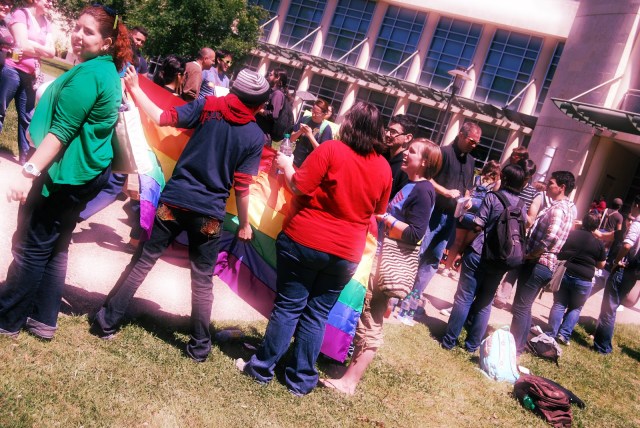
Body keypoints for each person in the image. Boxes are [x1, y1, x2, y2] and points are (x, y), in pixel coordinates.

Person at [90, 68, 270, 362]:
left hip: (173, 203)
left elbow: (162, 118)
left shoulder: (208, 106)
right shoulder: (254, 136)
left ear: (233, 91)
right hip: (209, 215)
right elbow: (242, 186)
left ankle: (107, 320)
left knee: (144, 260)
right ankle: (199, 346)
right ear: (259, 106)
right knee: (202, 279)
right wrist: (245, 224)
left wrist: (136, 89)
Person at [237, 101, 392, 396]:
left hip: (305, 240)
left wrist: (286, 165)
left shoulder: (331, 150)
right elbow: (378, 210)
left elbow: (298, 186)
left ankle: (261, 368)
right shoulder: (383, 167)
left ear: (349, 124)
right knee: (317, 314)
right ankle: (300, 380)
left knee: (289, 306)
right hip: (346, 253)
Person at [0, 5, 131, 339]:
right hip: (86, 172)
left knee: (31, 245)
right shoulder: (106, 71)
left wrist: (29, 171)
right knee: (56, 244)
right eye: (77, 27)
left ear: (106, 42)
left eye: (89, 32)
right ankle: (43, 320)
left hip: (66, 174)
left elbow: (61, 132)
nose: (78, 35)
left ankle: (7, 319)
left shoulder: (90, 74)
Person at [318, 138, 440, 395]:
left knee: (371, 319)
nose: (406, 154)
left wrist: (385, 217)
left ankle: (349, 382)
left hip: (388, 263)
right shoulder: (412, 184)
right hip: (379, 257)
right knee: (365, 313)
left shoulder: (424, 190)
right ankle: (346, 369)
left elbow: (416, 233)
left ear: (425, 162)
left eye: (412, 152)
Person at [441, 164, 527, 352]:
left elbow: (478, 225)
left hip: (479, 252)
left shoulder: (493, 197)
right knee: (485, 303)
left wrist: (462, 248)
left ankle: (449, 341)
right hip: (500, 259)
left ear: (503, 177)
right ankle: (472, 345)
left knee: (464, 297)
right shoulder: (522, 206)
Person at [510, 171, 577, 355]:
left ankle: (514, 348)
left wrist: (532, 254)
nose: (547, 185)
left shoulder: (558, 209)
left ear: (562, 187)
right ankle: (521, 345)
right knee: (525, 306)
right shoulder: (568, 207)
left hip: (538, 263)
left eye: (551, 183)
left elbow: (551, 236)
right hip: (543, 264)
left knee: (520, 307)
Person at [412, 122, 480, 296]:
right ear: (461, 135)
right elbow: (426, 177)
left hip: (451, 217)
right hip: (432, 212)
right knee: (418, 253)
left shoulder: (471, 161)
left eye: (477, 143)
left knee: (434, 258)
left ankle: (414, 296)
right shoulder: (442, 153)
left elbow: (467, 187)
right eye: (472, 141)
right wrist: (445, 192)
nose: (474, 145)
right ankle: (400, 293)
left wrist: (468, 199)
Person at [0, 0, 54, 164]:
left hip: (31, 75)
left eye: (53, 1)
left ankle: (26, 160)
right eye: (48, 0)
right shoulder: (21, 15)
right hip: (12, 69)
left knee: (27, 117)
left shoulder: (46, 23)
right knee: (0, 110)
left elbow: (52, 52)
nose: (51, 4)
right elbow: (21, 45)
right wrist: (41, 49)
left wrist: (32, 45)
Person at [545, 212, 606, 345]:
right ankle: (564, 335)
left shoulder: (571, 234)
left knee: (559, 304)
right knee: (576, 308)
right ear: (596, 227)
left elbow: (561, 249)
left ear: (583, 221)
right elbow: (601, 265)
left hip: (566, 272)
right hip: (584, 279)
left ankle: (550, 333)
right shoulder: (599, 243)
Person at [593, 196, 640, 354]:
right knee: (613, 308)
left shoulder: (637, 224)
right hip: (633, 273)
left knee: (609, 309)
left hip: (622, 270)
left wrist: (616, 262)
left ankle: (602, 347)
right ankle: (605, 345)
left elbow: (627, 245)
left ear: (636, 205)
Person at [493, 159, 543, 308]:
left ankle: (500, 296)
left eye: (526, 178)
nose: (523, 179)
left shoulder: (535, 194)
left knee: (508, 267)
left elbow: (530, 221)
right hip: (496, 231)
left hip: (515, 235)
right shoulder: (502, 183)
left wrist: (514, 210)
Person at [439, 160, 500, 280]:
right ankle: (458, 272)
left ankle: (446, 268)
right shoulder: (496, 184)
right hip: (479, 218)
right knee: (468, 246)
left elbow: (467, 193)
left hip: (466, 214)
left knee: (457, 242)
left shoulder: (476, 178)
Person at [290, 98, 333, 167]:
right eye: (313, 111)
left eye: (317, 113)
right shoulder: (305, 119)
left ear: (324, 114)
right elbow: (291, 139)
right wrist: (300, 131)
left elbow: (323, 152)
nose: (313, 115)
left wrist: (310, 135)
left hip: (310, 165)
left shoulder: (326, 129)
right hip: (295, 159)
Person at [384, 114, 416, 200]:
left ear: (407, 138)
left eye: (393, 132)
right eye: (387, 130)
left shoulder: (406, 168)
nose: (387, 134)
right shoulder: (380, 154)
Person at [255, 68, 288, 142]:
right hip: (258, 132)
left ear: (277, 78)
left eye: (270, 75)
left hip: (262, 136)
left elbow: (274, 115)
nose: (268, 76)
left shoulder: (277, 94)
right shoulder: (271, 92)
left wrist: (258, 109)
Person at [0, 0, 14, 72]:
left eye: (9, 5)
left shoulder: (4, 24)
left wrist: (10, 52)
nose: (7, 7)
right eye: (3, 3)